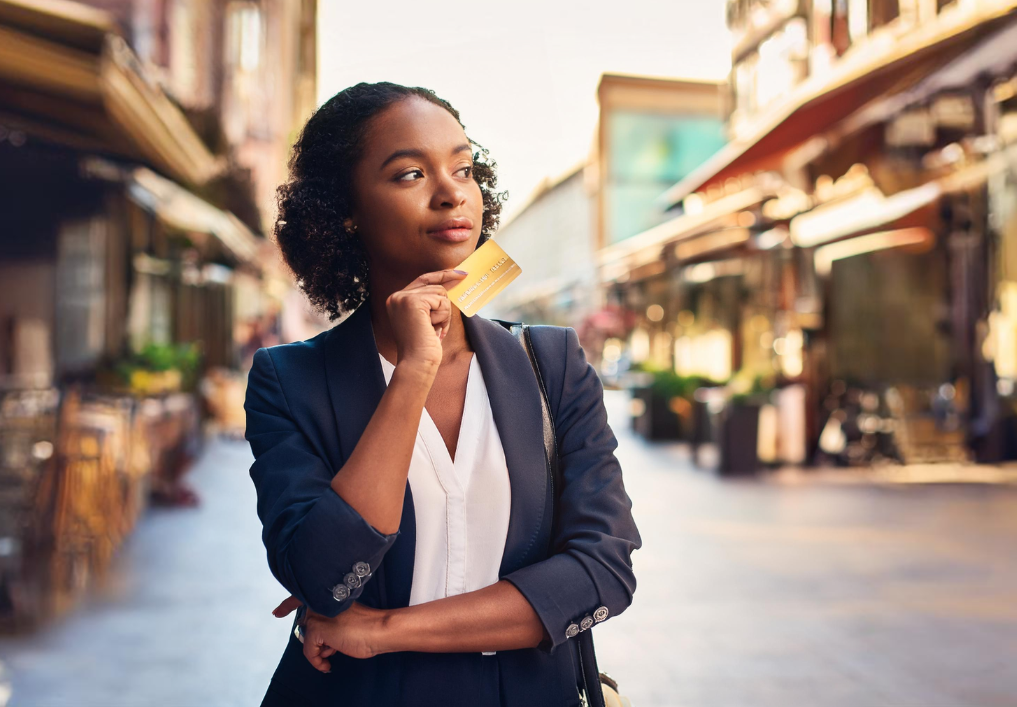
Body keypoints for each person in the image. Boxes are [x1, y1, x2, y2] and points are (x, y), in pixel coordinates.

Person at [244, 81, 641, 707]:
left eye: (463, 167)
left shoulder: (553, 363)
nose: (452, 191)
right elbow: (323, 579)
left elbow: (602, 572)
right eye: (409, 174)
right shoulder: (289, 382)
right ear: (345, 208)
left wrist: (382, 630)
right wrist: (413, 374)